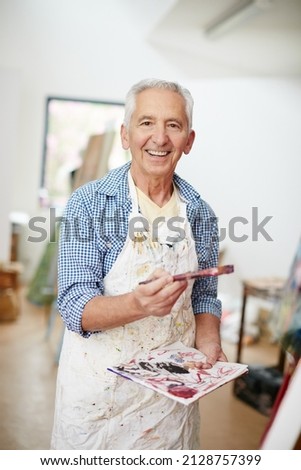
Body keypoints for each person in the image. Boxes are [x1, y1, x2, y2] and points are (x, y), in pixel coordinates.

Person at [51, 78, 227, 450]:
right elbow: (73, 306)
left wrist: (209, 341)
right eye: (146, 122)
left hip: (170, 403)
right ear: (126, 135)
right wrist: (136, 304)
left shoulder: (200, 214)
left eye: (173, 125)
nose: (159, 138)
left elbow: (206, 295)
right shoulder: (90, 205)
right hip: (101, 402)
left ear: (189, 141)